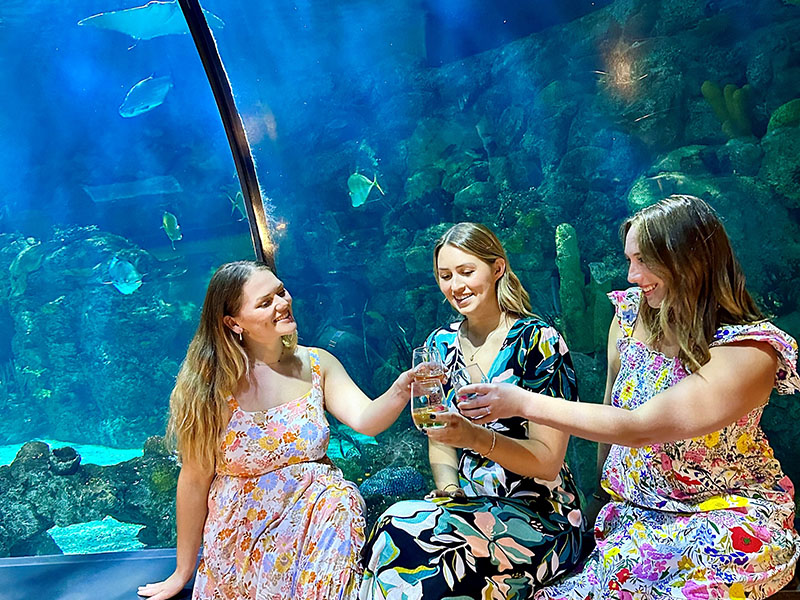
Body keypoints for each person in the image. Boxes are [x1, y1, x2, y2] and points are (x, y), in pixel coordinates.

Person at [458, 195, 800, 599]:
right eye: (629, 260)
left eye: (644, 260)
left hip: (724, 516)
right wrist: (601, 500)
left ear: (688, 257)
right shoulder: (629, 316)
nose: (633, 274)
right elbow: (611, 414)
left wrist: (520, 401)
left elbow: (638, 428)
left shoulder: (750, 352)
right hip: (634, 518)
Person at [137, 260, 415, 600]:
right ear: (233, 322)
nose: (282, 303)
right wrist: (182, 572)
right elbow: (194, 480)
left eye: (281, 292)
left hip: (319, 526)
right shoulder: (211, 387)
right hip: (244, 540)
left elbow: (366, 419)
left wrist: (401, 389)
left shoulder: (317, 364)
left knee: (341, 503)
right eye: (265, 302)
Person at [359, 223, 587, 600]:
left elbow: (548, 462)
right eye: (445, 276)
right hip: (468, 508)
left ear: (497, 268)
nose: (456, 286)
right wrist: (449, 490)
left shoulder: (538, 342)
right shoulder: (439, 344)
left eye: (467, 272)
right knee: (391, 525)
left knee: (412, 556)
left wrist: (475, 438)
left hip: (540, 514)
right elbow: (439, 434)